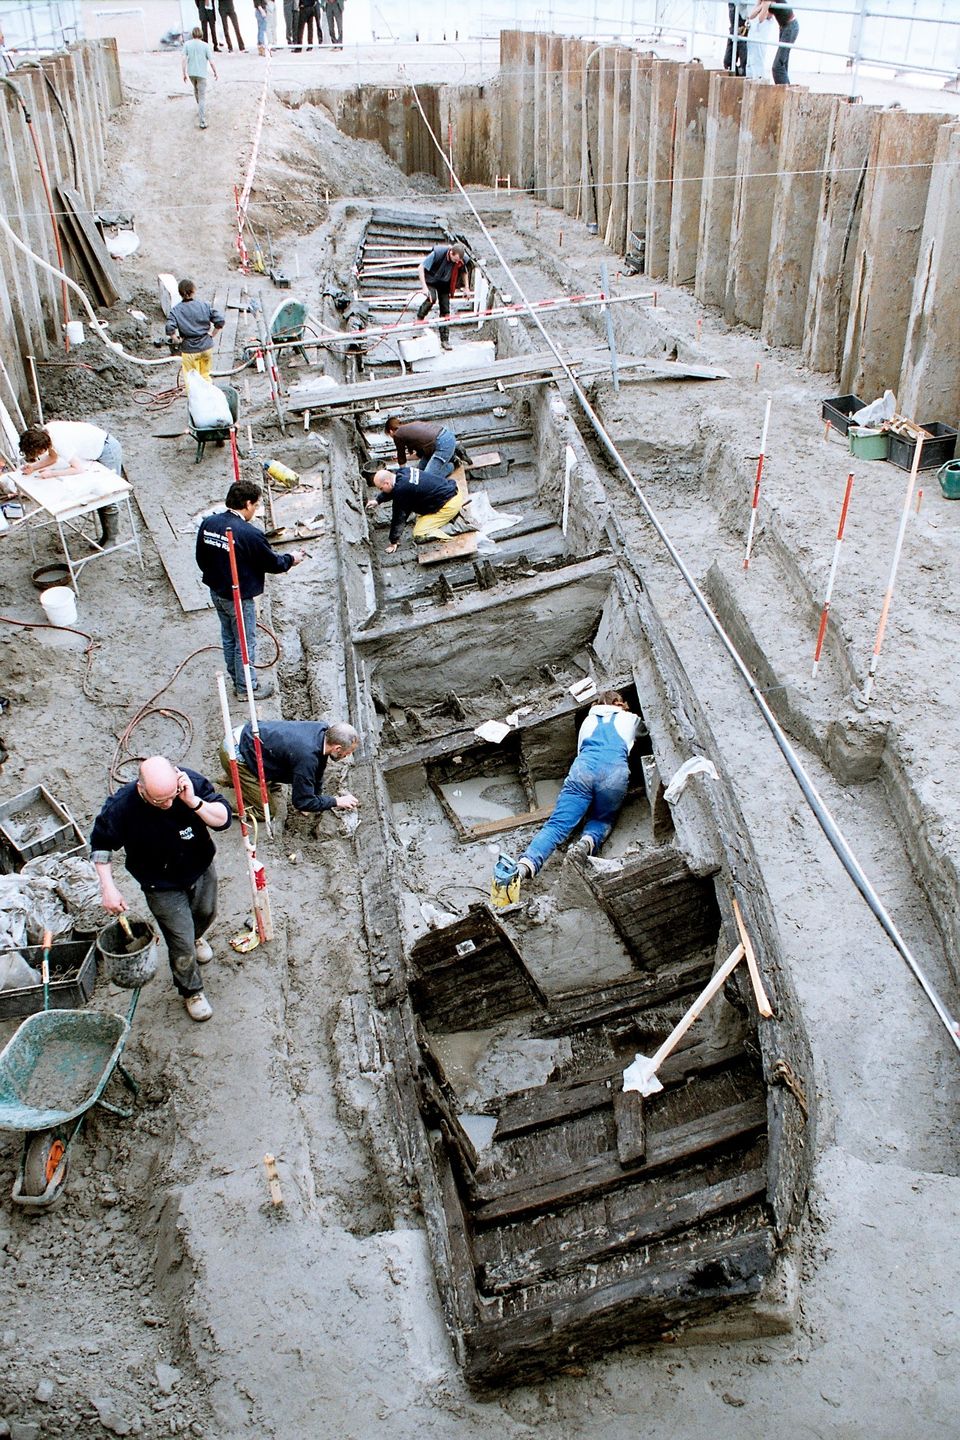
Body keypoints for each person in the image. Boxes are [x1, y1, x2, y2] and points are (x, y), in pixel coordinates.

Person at [91, 756, 232, 1023]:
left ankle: (196, 936)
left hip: (200, 868)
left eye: (172, 797)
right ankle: (192, 990)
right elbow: (100, 846)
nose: (168, 805)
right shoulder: (121, 807)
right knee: (180, 941)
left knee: (206, 913)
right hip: (160, 884)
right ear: (141, 788)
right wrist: (108, 888)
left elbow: (223, 820)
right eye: (159, 801)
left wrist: (192, 801)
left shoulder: (190, 783)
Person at [508, 691, 641, 884]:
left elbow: (581, 750)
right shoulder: (630, 719)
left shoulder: (588, 721)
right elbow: (647, 732)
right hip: (614, 773)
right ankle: (587, 841)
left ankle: (524, 866)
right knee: (601, 818)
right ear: (618, 703)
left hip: (583, 769)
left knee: (556, 825)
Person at [196, 478, 308, 699]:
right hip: (237, 597)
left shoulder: (209, 523)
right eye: (255, 506)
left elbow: (201, 559)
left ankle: (236, 677)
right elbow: (272, 563)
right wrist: (291, 559)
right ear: (247, 504)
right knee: (245, 643)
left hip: (216, 591)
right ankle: (246, 688)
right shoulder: (249, 533)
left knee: (229, 636)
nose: (255, 511)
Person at [220, 718, 359, 817]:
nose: (347, 756)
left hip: (248, 737)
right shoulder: (307, 757)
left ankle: (239, 781)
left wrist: (316, 797)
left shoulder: (322, 731)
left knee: (279, 781)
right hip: (236, 753)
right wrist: (335, 802)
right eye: (347, 753)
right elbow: (301, 801)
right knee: (266, 812)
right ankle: (223, 802)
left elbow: (317, 770)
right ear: (337, 748)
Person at [19, 420, 123, 545]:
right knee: (97, 494)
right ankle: (106, 537)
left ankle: (112, 539)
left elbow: (78, 468)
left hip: (106, 448)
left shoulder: (60, 442)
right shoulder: (46, 434)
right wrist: (33, 467)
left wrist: (52, 474)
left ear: (41, 447)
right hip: (92, 449)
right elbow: (53, 458)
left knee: (108, 495)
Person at [366, 465, 463, 554]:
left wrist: (393, 541)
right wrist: (378, 500)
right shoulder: (402, 472)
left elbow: (399, 517)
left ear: (386, 483)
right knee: (419, 515)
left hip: (449, 504)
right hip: (451, 490)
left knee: (419, 533)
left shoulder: (402, 490)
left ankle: (459, 526)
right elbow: (394, 490)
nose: (381, 491)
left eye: (381, 488)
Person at [416, 242, 472, 351]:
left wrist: (466, 287)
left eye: (458, 261)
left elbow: (464, 272)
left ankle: (445, 339)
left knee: (446, 310)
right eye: (455, 260)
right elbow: (420, 267)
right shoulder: (438, 253)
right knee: (431, 298)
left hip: (445, 283)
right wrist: (424, 288)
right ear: (451, 253)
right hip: (431, 280)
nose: (456, 262)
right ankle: (420, 317)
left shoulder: (461, 259)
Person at [165, 278, 224, 379]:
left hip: (189, 350)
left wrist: (177, 340)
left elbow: (169, 327)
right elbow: (220, 320)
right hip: (206, 347)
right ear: (193, 291)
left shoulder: (176, 310)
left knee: (192, 381)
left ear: (180, 293)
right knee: (205, 376)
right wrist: (212, 334)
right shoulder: (204, 306)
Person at [385, 416, 457, 484]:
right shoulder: (408, 430)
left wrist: (403, 476)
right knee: (420, 472)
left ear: (391, 431)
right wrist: (406, 458)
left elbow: (401, 459)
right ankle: (451, 455)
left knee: (426, 480)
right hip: (444, 439)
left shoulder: (397, 434)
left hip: (443, 444)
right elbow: (419, 454)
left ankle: (452, 464)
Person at [749, 2, 798, 85]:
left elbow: (761, 19)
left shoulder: (767, 1)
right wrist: (762, 6)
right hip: (784, 27)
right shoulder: (764, 1)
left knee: (777, 67)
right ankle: (787, 90)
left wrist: (763, 7)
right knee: (782, 64)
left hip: (790, 26)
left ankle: (784, 92)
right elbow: (752, 15)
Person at [181, 26, 218, 129]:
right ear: (201, 34)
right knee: (202, 96)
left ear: (192, 34)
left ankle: (200, 109)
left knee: (196, 90)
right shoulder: (206, 46)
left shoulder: (187, 44)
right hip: (202, 74)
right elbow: (211, 61)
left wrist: (184, 73)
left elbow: (183, 59)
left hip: (191, 73)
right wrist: (215, 72)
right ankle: (202, 121)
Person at [723, 2, 749, 77]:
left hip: (744, 29)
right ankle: (736, 79)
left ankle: (742, 79)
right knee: (727, 61)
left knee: (744, 63)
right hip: (733, 29)